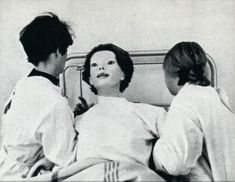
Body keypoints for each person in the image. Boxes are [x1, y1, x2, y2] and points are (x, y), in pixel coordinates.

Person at [26, 43, 166, 181]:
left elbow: (175, 155)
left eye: (110, 62)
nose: (101, 67)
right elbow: (61, 156)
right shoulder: (76, 121)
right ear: (90, 79)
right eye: (94, 65)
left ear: (123, 74)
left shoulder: (151, 114)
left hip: (131, 175)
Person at [0, 12, 77, 179]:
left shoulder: (23, 86)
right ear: (58, 52)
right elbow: (66, 160)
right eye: (65, 51)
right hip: (21, 176)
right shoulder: (54, 102)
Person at [153, 41, 235, 181]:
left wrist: (157, 147)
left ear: (171, 75)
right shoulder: (214, 96)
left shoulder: (185, 100)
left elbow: (175, 164)